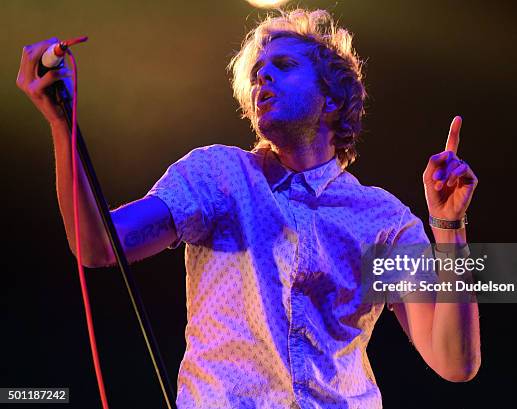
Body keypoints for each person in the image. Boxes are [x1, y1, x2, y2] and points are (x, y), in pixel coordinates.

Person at [17, 9, 480, 409]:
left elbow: (455, 362)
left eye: (283, 65)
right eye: (258, 72)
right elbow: (96, 246)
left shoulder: (384, 221)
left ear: (333, 98)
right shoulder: (218, 174)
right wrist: (62, 125)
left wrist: (450, 226)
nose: (264, 77)